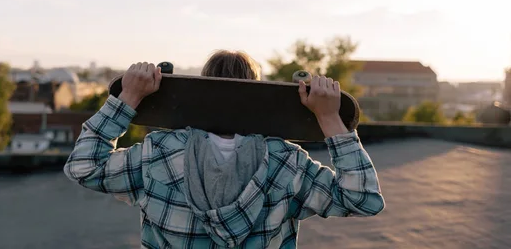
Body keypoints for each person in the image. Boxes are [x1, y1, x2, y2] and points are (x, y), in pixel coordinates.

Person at [64, 50, 385, 248]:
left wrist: (129, 98)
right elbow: (363, 199)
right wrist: (328, 118)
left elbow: (84, 166)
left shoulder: (159, 153)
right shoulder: (287, 163)